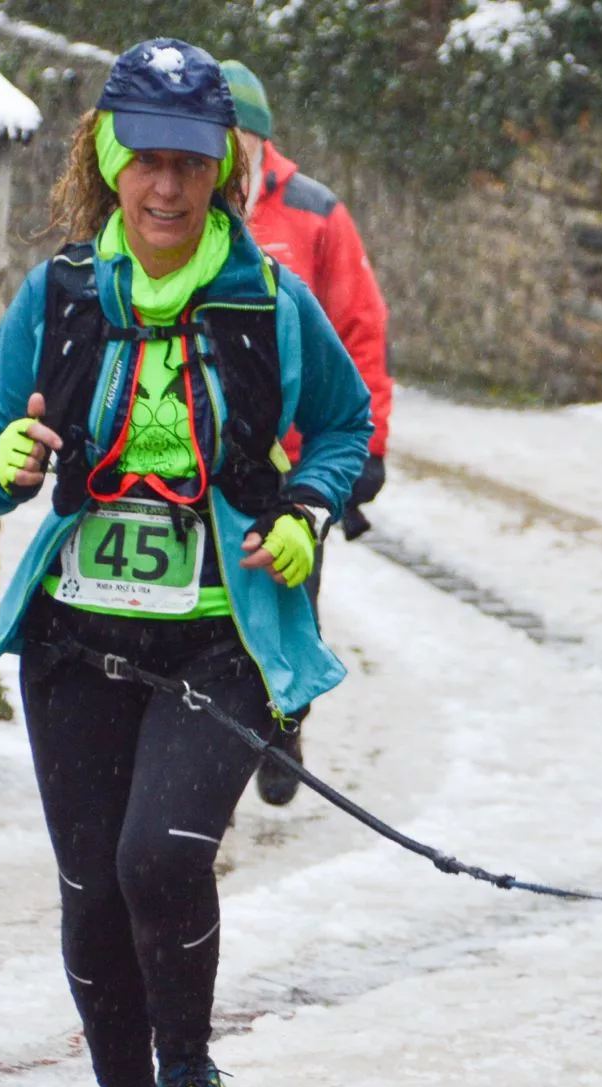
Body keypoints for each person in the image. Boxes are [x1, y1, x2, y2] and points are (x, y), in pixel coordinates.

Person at [0, 38, 372, 1087]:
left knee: (159, 858)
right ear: (108, 158)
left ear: (223, 166)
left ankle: (187, 1075)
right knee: (89, 888)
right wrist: (8, 460)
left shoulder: (270, 301)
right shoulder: (62, 295)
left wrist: (305, 509)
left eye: (189, 163)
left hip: (214, 636)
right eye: (146, 161)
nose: (167, 188)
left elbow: (345, 431)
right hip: (76, 641)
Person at [221, 59, 393, 807]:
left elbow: (360, 330)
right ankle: (218, 745)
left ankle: (286, 720)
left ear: (264, 145)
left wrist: (369, 448)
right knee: (218, 608)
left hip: (295, 464)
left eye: (240, 145)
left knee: (295, 596)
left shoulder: (316, 215)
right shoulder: (184, 211)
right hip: (207, 458)